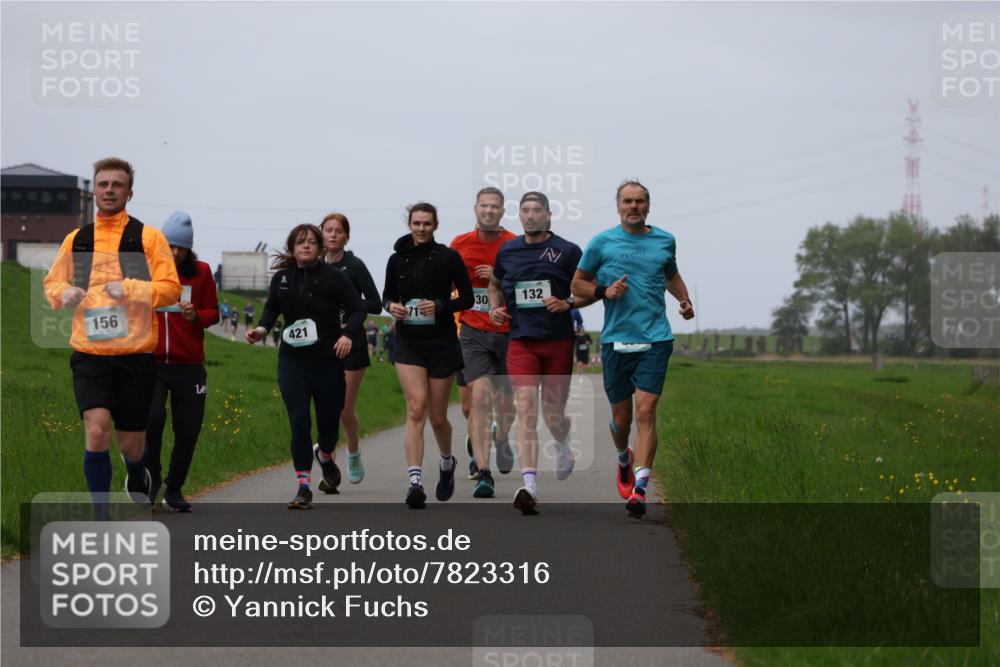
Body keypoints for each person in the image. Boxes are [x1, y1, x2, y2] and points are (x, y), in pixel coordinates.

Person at [42, 157, 181, 518]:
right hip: (90, 354)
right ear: (94, 190)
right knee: (97, 428)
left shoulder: (147, 238)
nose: (109, 190)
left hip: (136, 357)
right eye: (103, 184)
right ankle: (100, 514)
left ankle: (138, 473)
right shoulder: (79, 240)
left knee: (132, 444)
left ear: (129, 192)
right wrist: (63, 293)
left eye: (116, 185)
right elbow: (52, 283)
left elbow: (170, 290)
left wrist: (132, 288)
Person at [571, 180, 695, 519]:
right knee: (621, 419)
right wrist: (603, 291)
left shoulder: (665, 240)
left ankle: (640, 489)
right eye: (628, 201)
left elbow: (672, 275)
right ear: (618, 206)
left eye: (640, 201)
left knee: (646, 413)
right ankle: (623, 459)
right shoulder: (602, 242)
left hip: (656, 338)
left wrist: (683, 299)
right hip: (615, 339)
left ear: (648, 206)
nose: (634, 206)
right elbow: (577, 285)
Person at [246, 224, 365, 509]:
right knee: (299, 421)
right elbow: (272, 309)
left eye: (312, 241)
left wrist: (348, 335)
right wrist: (262, 329)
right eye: (300, 242)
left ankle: (325, 455)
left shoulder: (334, 278)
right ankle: (303, 486)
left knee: (328, 426)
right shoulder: (282, 279)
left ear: (321, 248)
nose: (307, 246)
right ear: (292, 248)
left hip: (327, 361)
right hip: (293, 360)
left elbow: (358, 308)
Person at [489, 192, 581, 515]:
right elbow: (495, 285)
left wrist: (568, 303)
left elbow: (587, 288)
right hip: (521, 341)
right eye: (525, 210)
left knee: (553, 413)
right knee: (526, 407)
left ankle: (563, 444)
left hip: (557, 341)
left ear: (548, 215)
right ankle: (529, 486)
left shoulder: (567, 251)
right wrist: (495, 308)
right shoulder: (508, 250)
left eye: (536, 210)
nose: (530, 216)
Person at [382, 202, 473, 508]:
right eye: (416, 223)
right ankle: (415, 481)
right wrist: (391, 307)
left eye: (426, 224)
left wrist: (441, 305)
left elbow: (468, 298)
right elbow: (387, 296)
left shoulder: (448, 257)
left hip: (442, 342)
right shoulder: (397, 260)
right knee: (416, 408)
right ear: (409, 224)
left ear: (435, 226)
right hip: (408, 341)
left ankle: (447, 462)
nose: (421, 228)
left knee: (437, 416)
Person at [145, 211, 219, 511]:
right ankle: (151, 481)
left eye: (181, 247)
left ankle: (174, 488)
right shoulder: (146, 269)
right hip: (150, 363)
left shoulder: (200, 272)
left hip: (189, 365)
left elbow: (213, 313)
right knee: (151, 420)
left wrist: (195, 316)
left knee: (188, 430)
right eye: (170, 246)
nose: (175, 253)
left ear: (189, 248)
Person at [450, 186, 517, 496]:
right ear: (475, 209)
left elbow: (526, 286)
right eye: (484, 206)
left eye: (495, 207)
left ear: (503, 212)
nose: (489, 211)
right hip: (472, 330)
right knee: (478, 400)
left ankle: (501, 436)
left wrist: (498, 274)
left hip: (509, 333)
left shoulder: (514, 245)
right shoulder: (460, 245)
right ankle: (484, 472)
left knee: (506, 405)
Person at [320, 212, 382, 484]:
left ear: (346, 237)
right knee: (326, 407)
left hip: (351, 342)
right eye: (328, 230)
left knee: (343, 409)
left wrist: (350, 302)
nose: (333, 234)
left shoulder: (354, 266)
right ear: (321, 233)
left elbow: (376, 304)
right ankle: (328, 465)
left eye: (338, 231)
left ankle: (353, 452)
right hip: (322, 343)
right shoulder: (313, 266)